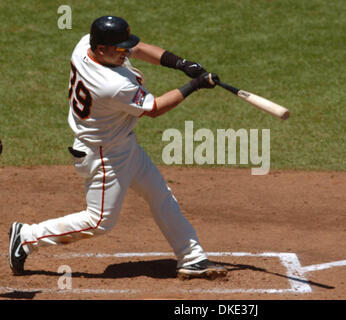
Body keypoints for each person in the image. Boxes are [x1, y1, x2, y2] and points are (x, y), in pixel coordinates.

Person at [9, 15, 227, 280]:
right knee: (99, 221)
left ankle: (192, 258)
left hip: (122, 144)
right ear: (102, 49)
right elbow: (155, 108)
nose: (127, 53)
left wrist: (181, 63)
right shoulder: (112, 85)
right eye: (120, 49)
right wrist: (194, 84)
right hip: (104, 154)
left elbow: (140, 48)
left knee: (161, 194)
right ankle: (27, 237)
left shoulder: (85, 45)